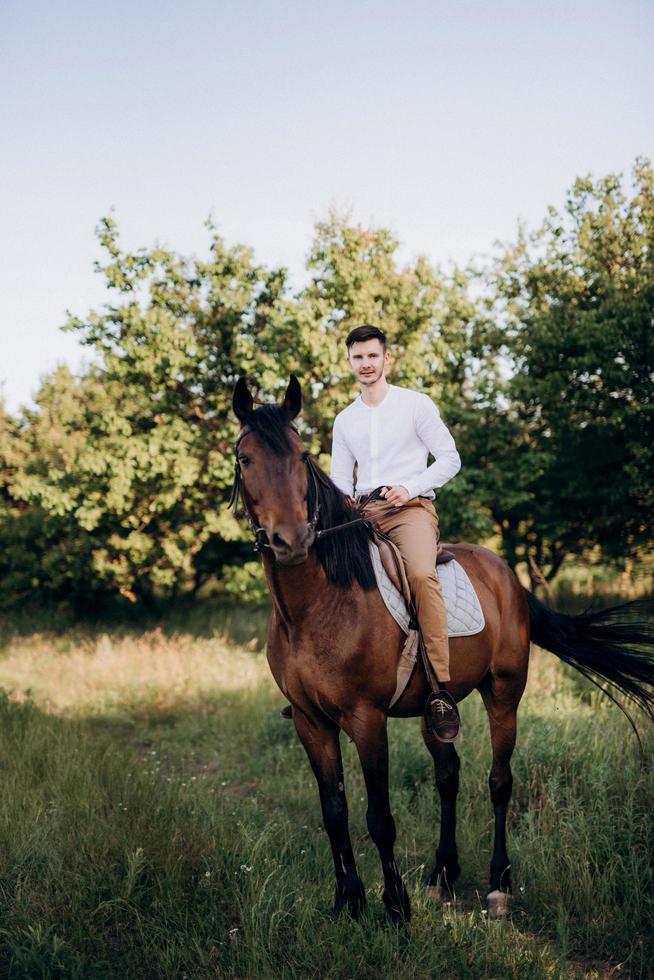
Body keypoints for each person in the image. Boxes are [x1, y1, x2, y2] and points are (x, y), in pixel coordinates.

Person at [329, 324, 462, 741]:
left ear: (387, 359)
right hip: (362, 512)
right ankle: (321, 682)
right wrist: (344, 501)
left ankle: (441, 689)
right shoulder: (345, 419)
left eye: (372, 356)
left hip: (409, 509)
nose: (365, 364)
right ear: (349, 362)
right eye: (358, 357)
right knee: (324, 577)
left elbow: (449, 458)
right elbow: (337, 478)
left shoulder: (415, 405)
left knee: (422, 575)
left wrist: (411, 487)